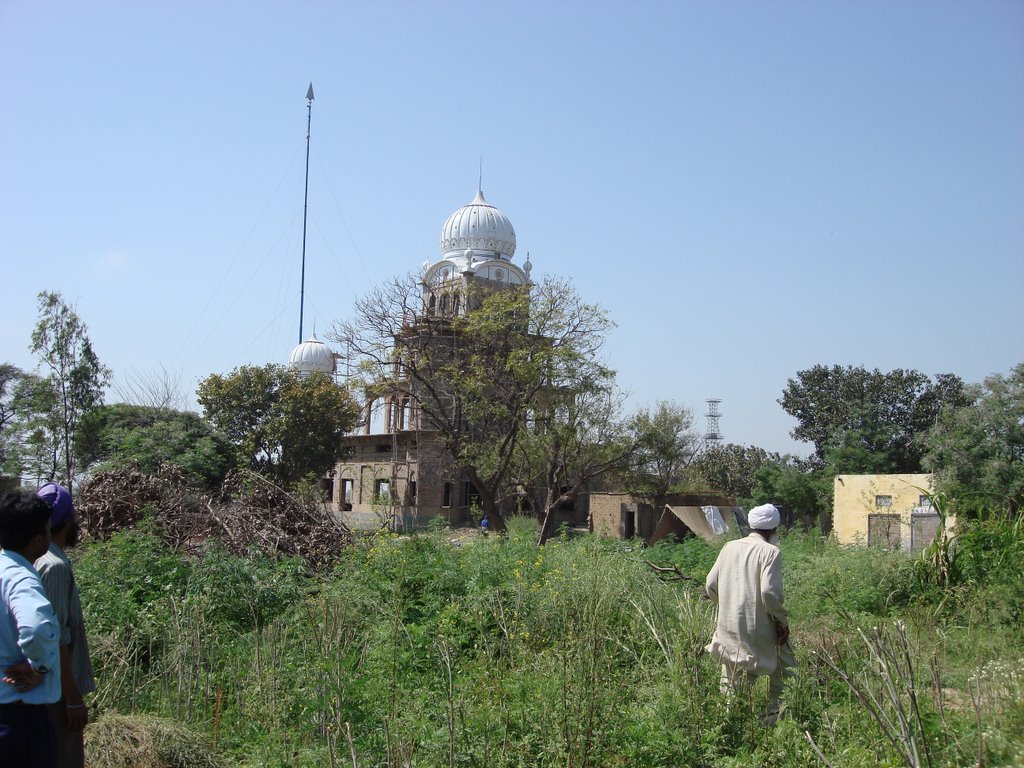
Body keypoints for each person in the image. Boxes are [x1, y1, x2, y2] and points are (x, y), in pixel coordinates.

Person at [705, 503, 795, 723]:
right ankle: (773, 717)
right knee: (785, 669)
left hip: (727, 623)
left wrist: (724, 604)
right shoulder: (771, 551)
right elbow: (769, 592)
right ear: (773, 529)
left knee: (731, 674)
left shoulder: (729, 546)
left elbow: (710, 583)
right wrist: (781, 622)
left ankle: (729, 725)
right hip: (758, 625)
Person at [0, 490, 61, 767]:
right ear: (39, 539)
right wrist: (39, 667)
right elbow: (35, 628)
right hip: (19, 717)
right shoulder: (21, 578)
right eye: (48, 530)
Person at [36, 483, 95, 768]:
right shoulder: (54, 566)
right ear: (68, 520)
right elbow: (55, 638)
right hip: (57, 694)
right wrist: (72, 700)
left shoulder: (32, 558)